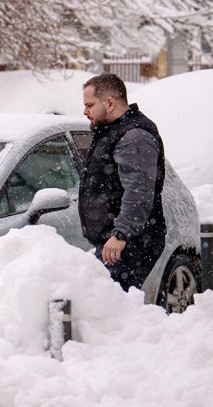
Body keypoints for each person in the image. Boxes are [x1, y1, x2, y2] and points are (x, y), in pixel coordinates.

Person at [78, 73, 166, 292]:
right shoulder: (112, 131)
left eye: (89, 105)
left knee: (110, 312)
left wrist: (121, 234)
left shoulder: (133, 136)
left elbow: (138, 191)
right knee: (109, 311)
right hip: (117, 243)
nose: (85, 111)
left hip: (129, 244)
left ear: (109, 103)